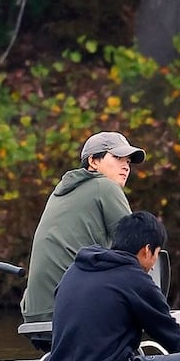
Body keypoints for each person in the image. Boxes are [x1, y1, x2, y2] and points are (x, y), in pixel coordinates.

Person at [42, 211, 180, 361]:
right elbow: (172, 336)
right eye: (156, 253)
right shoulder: (135, 278)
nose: (154, 263)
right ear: (147, 250)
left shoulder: (75, 269)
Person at [20, 131, 145, 326]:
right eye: (118, 158)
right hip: (72, 311)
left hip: (35, 312)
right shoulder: (105, 186)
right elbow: (135, 250)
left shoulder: (61, 191)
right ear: (93, 161)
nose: (126, 166)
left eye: (128, 162)